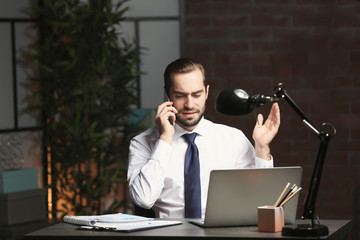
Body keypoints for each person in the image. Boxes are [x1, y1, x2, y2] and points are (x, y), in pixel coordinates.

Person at [127, 58, 280, 218]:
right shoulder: (142, 142)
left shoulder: (233, 139)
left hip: (221, 234)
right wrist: (164, 139)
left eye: (196, 94)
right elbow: (143, 199)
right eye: (180, 95)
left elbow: (262, 198)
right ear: (168, 95)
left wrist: (262, 148)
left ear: (207, 92)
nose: (189, 104)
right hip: (170, 234)